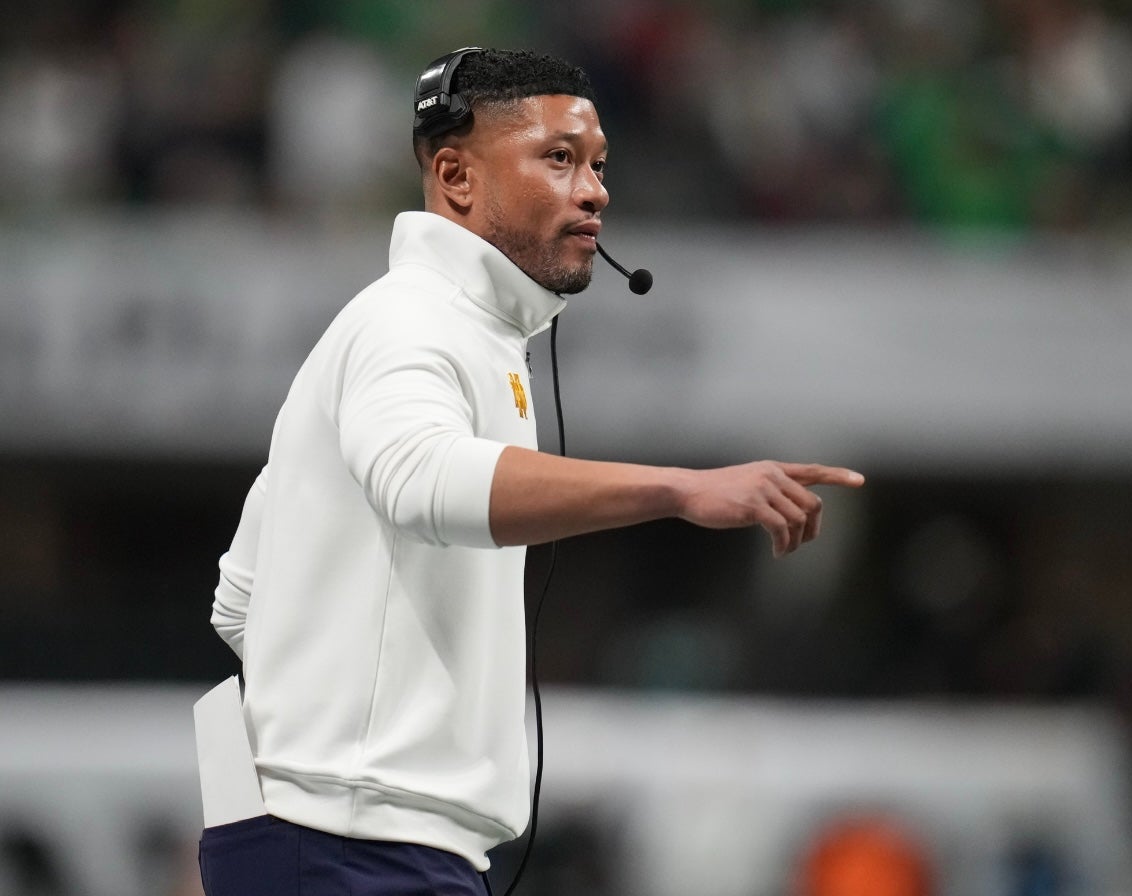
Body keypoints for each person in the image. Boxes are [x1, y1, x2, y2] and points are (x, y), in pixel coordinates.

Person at [200, 47, 864, 896]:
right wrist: (679, 488)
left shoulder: (457, 334)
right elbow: (421, 482)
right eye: (558, 159)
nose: (594, 191)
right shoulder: (410, 321)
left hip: (365, 841)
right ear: (456, 176)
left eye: (597, 165)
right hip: (347, 845)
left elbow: (241, 596)